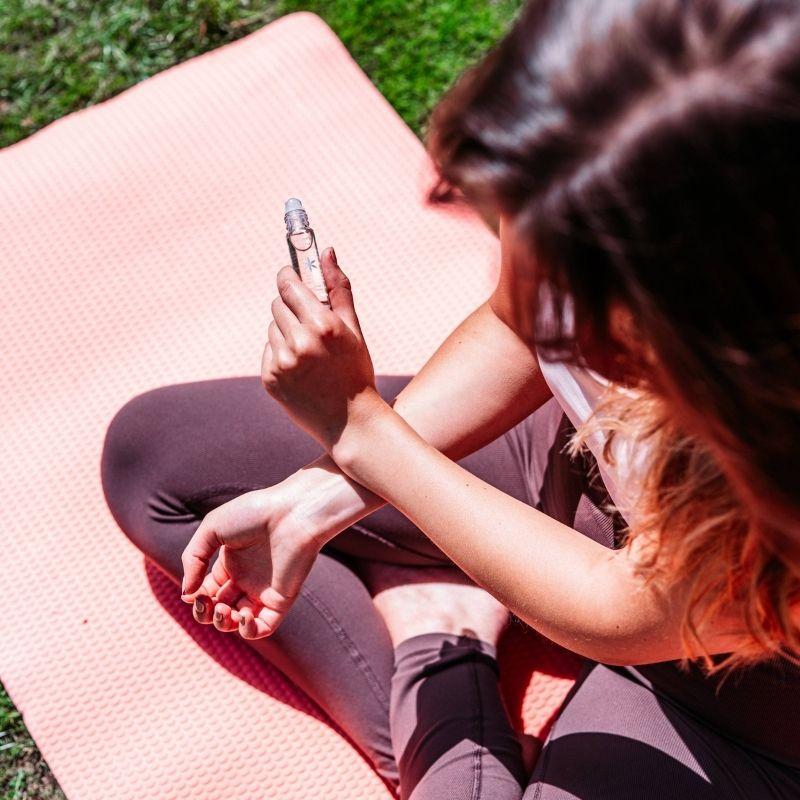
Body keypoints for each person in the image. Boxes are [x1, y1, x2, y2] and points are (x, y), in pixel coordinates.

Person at [101, 0, 800, 797]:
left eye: (584, 297)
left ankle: (440, 648)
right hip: (590, 472)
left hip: (735, 686)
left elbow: (627, 608)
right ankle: (460, 608)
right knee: (155, 457)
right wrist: (320, 494)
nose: (544, 316)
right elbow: (515, 323)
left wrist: (362, 430)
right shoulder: (616, 156)